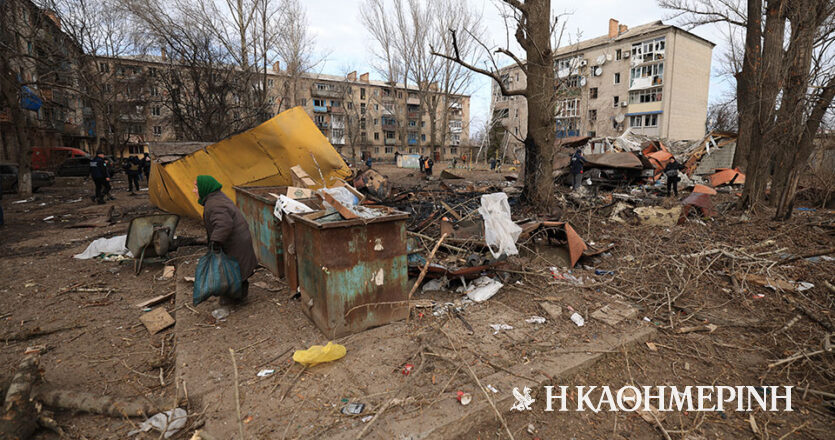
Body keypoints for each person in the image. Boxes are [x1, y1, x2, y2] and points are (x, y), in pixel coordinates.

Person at [195, 175, 258, 305]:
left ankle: (236, 298)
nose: (194, 191)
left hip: (234, 242)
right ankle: (238, 296)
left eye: (196, 187)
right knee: (237, 268)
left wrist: (215, 241)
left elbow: (224, 224)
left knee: (233, 269)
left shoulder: (214, 203)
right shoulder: (216, 198)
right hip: (237, 240)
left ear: (204, 188)